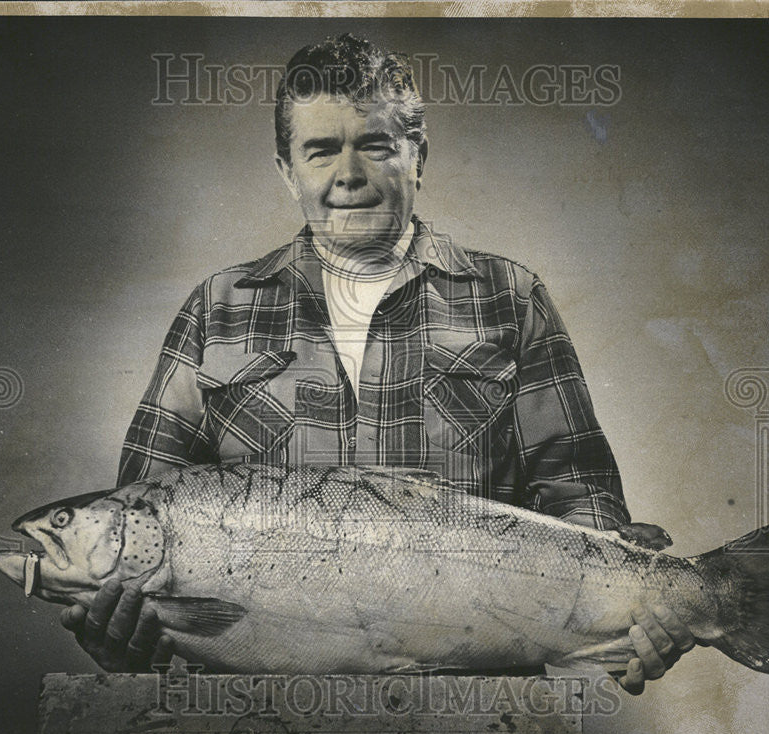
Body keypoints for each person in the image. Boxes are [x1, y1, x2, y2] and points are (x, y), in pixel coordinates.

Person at [61, 33, 695, 694]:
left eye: (375, 144)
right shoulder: (215, 309)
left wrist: (630, 617)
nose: (349, 174)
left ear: (417, 156)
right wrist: (118, 626)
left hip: (476, 731)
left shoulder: (510, 299)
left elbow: (582, 500)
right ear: (287, 170)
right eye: (321, 149)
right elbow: (140, 521)